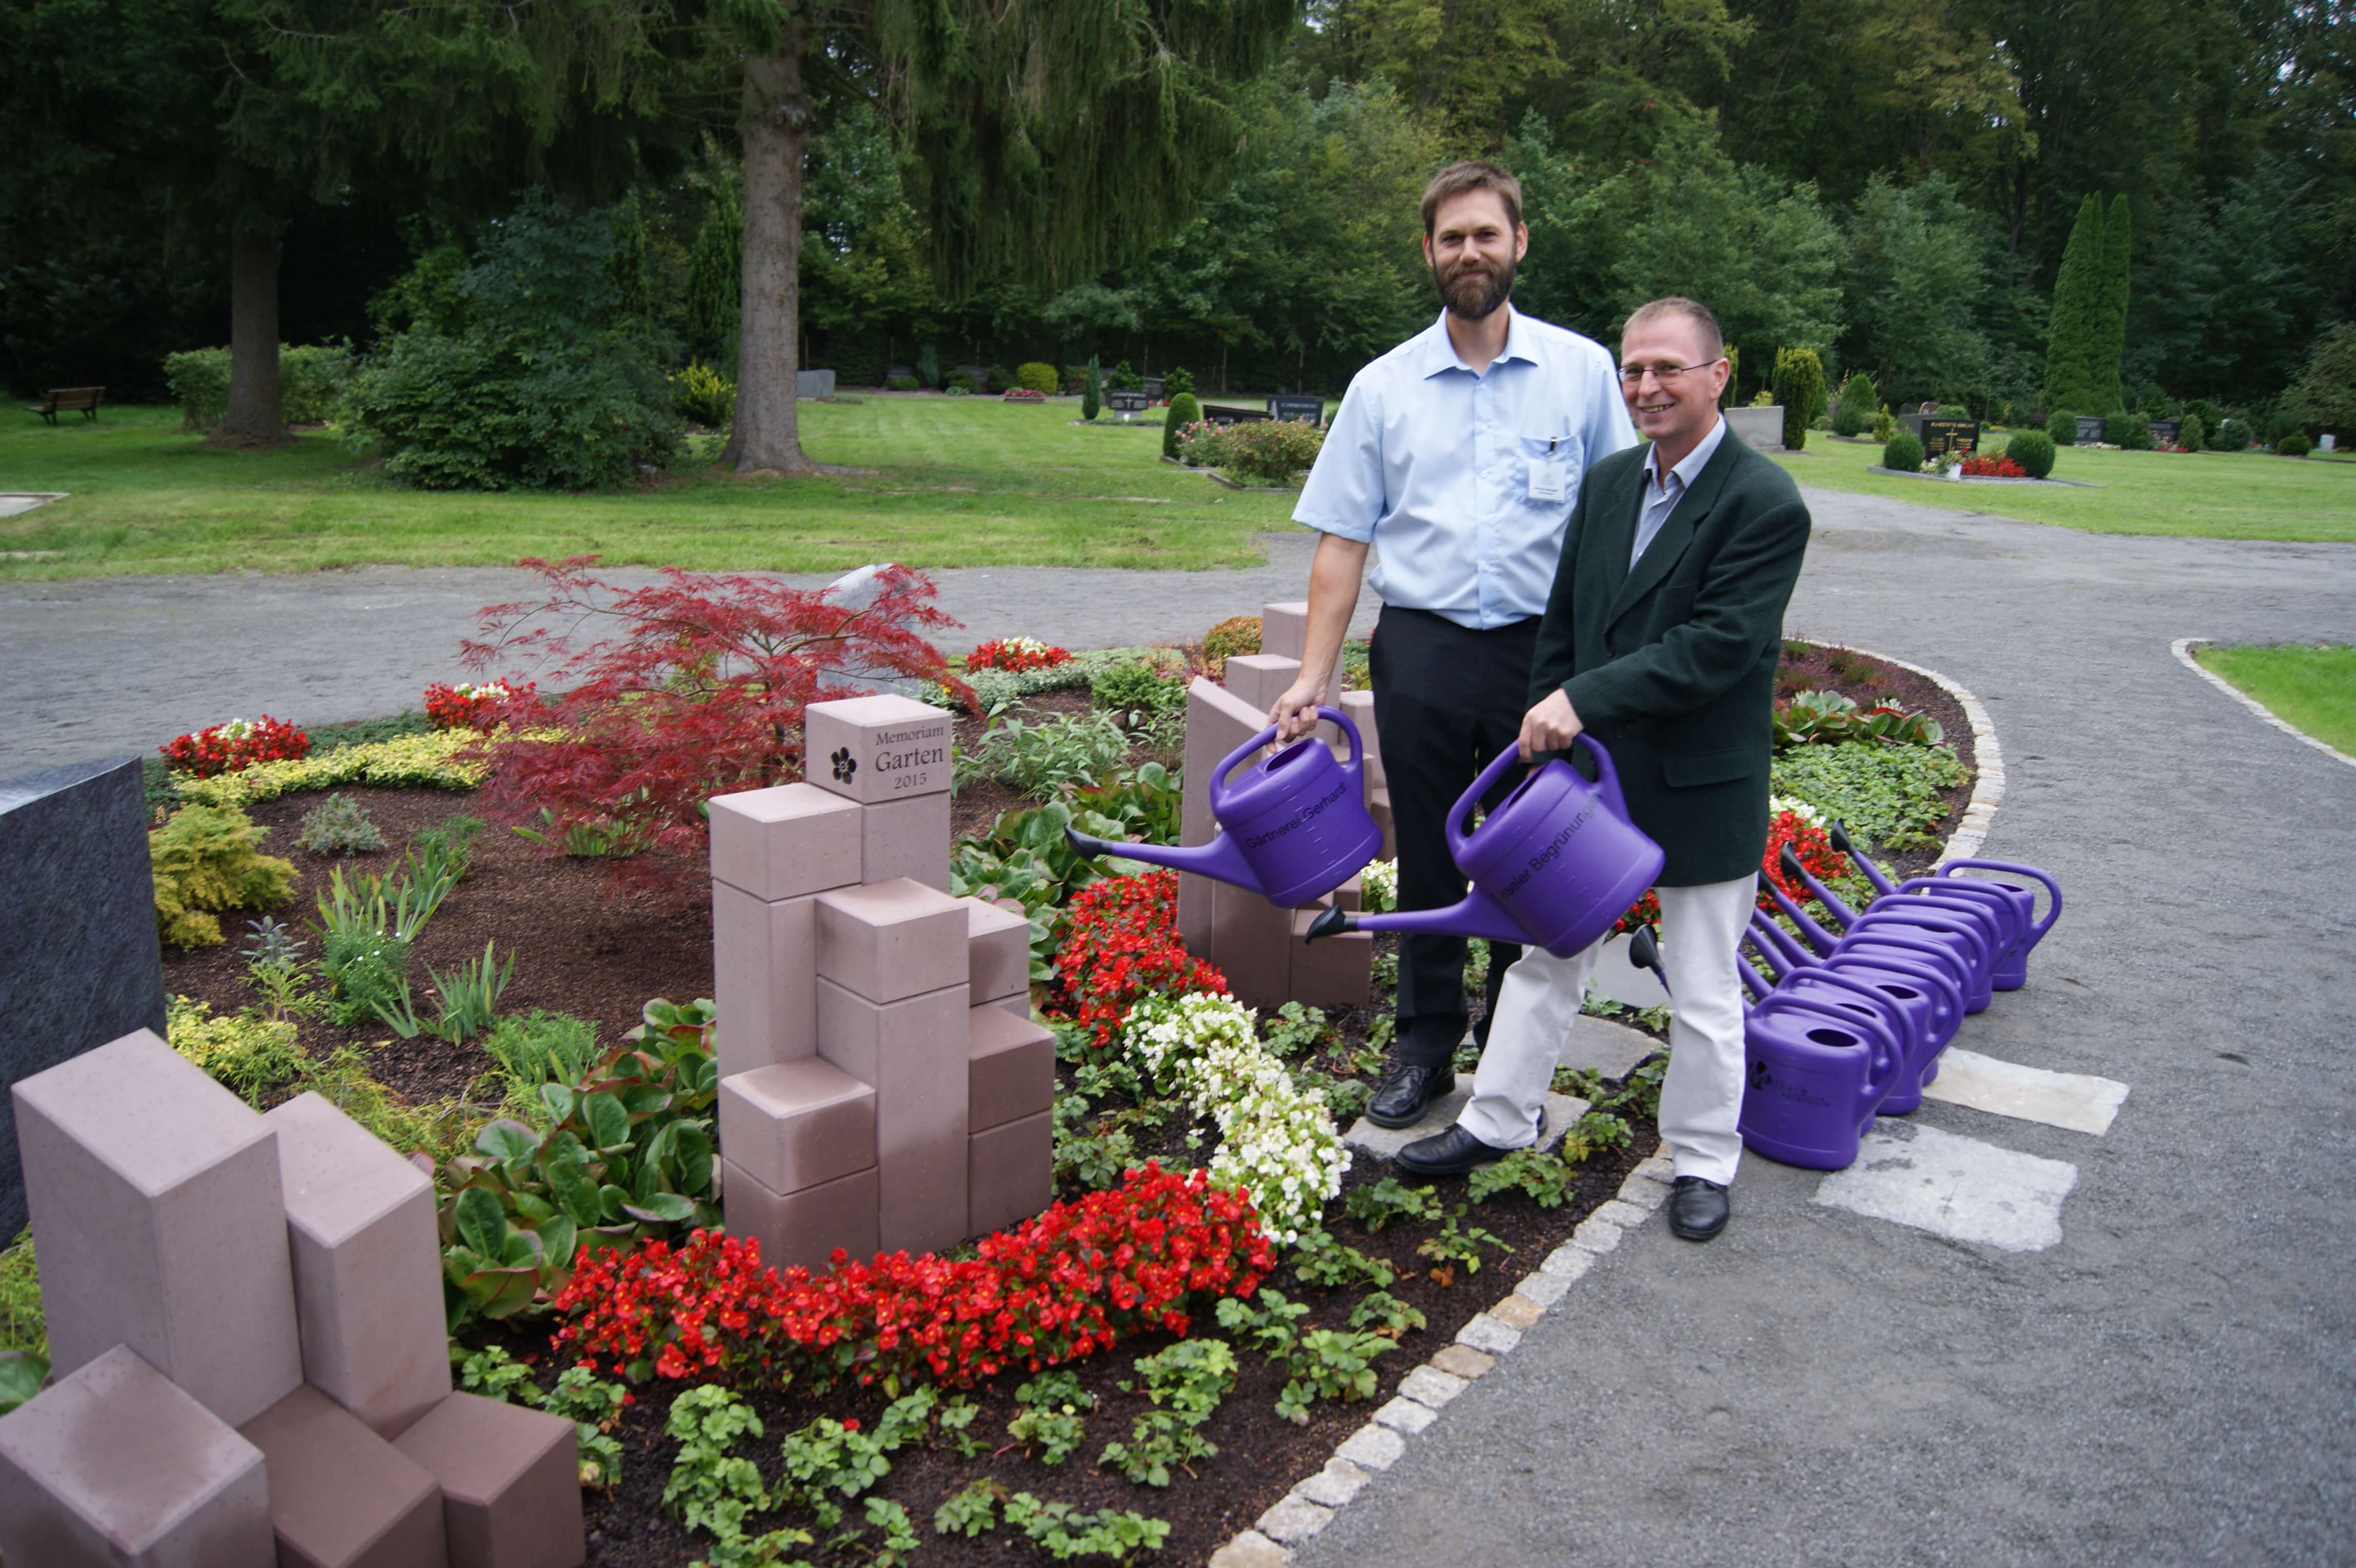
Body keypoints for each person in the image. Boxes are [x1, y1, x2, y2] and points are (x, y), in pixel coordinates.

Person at [1392, 296, 1813, 1245]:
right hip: (1588, 785)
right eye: (1633, 370)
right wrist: (1550, 737)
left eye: (1669, 368)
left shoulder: (1764, 502)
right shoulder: (1612, 480)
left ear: (1719, 376)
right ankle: (1498, 1122)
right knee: (1546, 962)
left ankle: (1703, 1161)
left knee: (1702, 992)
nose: (1647, 386)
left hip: (1699, 789)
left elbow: (1717, 648)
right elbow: (1565, 622)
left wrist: (1582, 701)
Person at [1270, 161, 1636, 1130]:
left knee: (1531, 856)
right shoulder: (1383, 388)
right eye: (1450, 238)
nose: (1468, 252)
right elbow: (1342, 541)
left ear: (1520, 243)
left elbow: (1620, 525)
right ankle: (1425, 1046)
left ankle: (1508, 1050)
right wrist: (1316, 674)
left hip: (1542, 662)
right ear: (1429, 253)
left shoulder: (1583, 372)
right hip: (1425, 651)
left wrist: (1604, 671)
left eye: (1486, 234)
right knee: (1433, 857)